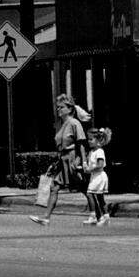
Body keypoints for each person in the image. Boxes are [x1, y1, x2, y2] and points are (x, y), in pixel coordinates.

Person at [30, 95, 88, 226]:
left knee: (84, 187)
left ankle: (99, 213)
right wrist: (56, 163)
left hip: (73, 159)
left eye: (61, 107)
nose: (58, 110)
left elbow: (82, 144)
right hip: (63, 160)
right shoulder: (62, 125)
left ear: (70, 109)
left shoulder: (74, 123)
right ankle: (46, 217)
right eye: (58, 107)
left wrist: (82, 161)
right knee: (54, 187)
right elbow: (61, 146)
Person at [83, 127, 112, 226]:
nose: (89, 141)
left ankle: (93, 216)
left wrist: (90, 169)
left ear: (98, 140)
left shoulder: (99, 151)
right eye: (88, 139)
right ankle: (106, 217)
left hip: (99, 176)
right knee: (100, 197)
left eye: (91, 139)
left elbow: (100, 165)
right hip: (95, 176)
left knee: (90, 194)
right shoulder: (92, 152)